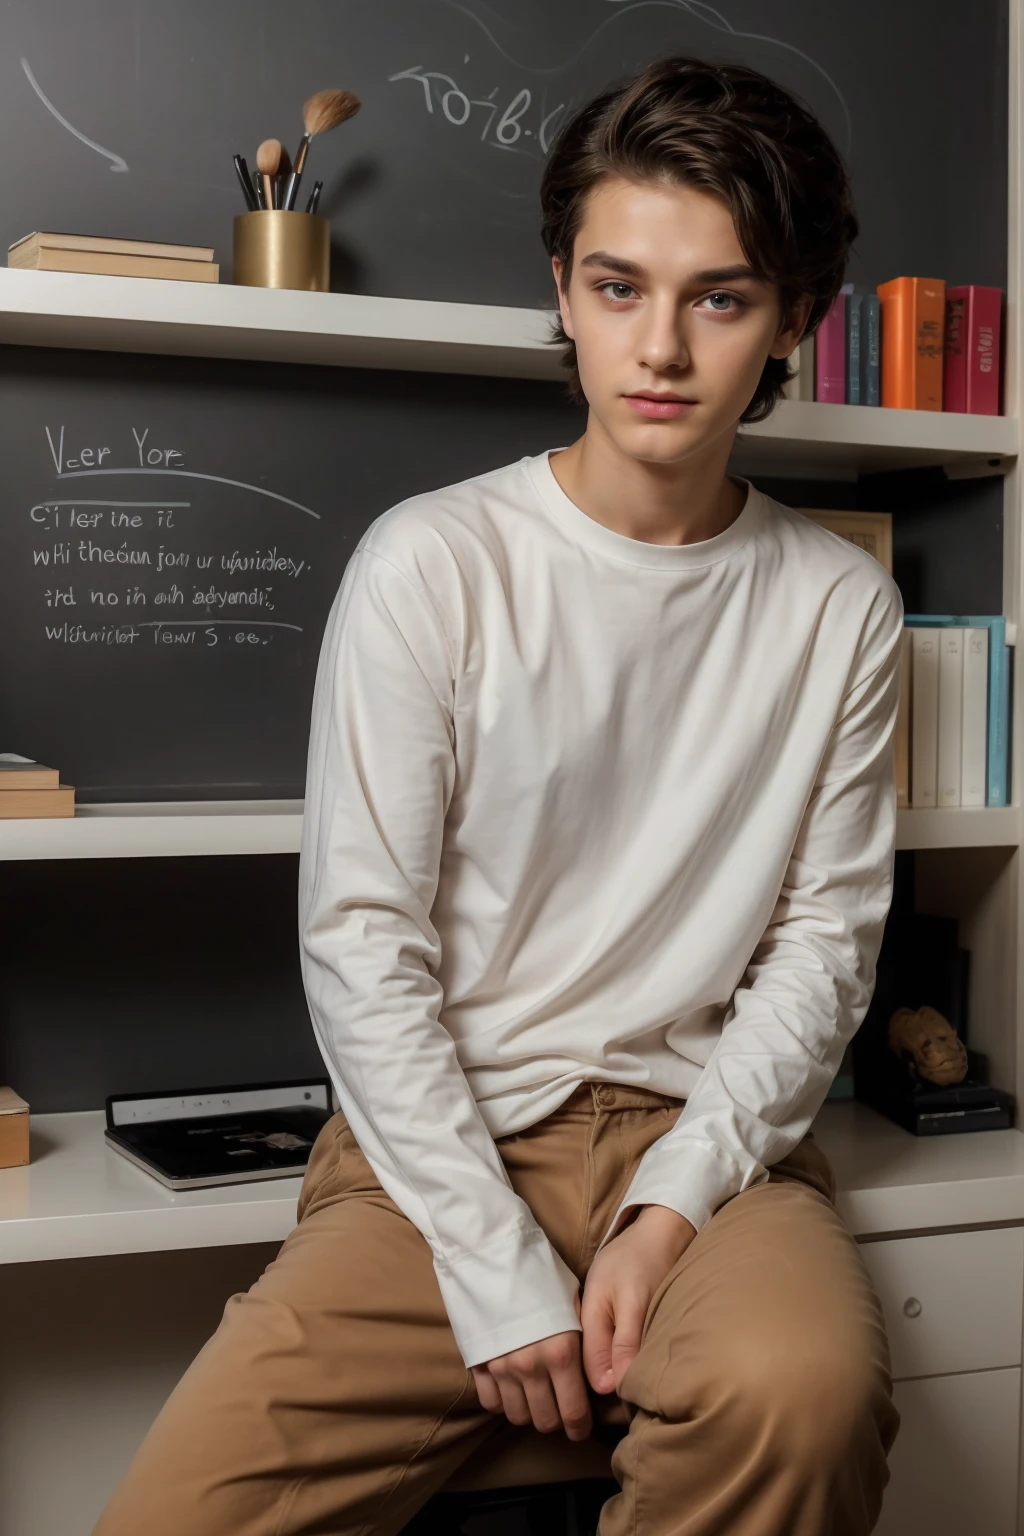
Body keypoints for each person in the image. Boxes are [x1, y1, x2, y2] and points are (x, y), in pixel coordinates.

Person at [93, 52, 903, 1536]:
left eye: (719, 298)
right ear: (563, 286)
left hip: (705, 1142)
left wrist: (670, 1210)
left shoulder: (840, 604)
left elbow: (823, 950)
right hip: (438, 1144)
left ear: (797, 318)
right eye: (617, 287)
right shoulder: (435, 563)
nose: (658, 346)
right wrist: (491, 1264)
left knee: (807, 1393)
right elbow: (359, 938)